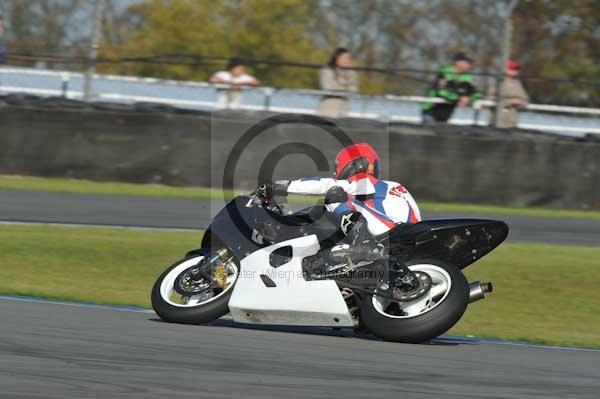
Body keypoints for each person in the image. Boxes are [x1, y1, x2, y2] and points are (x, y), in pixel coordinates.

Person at [272, 142, 421, 262]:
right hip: (408, 236)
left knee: (333, 196)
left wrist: (282, 187)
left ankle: (361, 241)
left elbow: (325, 185)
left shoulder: (364, 181)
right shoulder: (390, 186)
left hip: (388, 236)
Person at [421, 52, 481, 123]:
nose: (469, 65)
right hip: (430, 111)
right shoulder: (444, 72)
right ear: (457, 62)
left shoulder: (469, 78)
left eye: (470, 63)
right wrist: (459, 98)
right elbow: (441, 92)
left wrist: (468, 99)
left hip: (446, 115)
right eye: (467, 62)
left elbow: (477, 94)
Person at [487, 59, 529, 128]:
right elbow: (489, 101)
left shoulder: (518, 84)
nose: (515, 71)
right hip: (496, 124)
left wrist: (520, 103)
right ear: (505, 69)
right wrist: (509, 102)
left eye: (516, 69)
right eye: (511, 68)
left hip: (512, 125)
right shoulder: (497, 84)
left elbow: (525, 101)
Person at [318, 48, 358, 118]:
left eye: (348, 58)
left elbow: (353, 89)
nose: (347, 60)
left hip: (343, 110)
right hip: (328, 110)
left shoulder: (351, 72)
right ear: (337, 57)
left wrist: (350, 72)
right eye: (344, 58)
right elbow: (328, 87)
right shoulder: (327, 70)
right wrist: (345, 86)